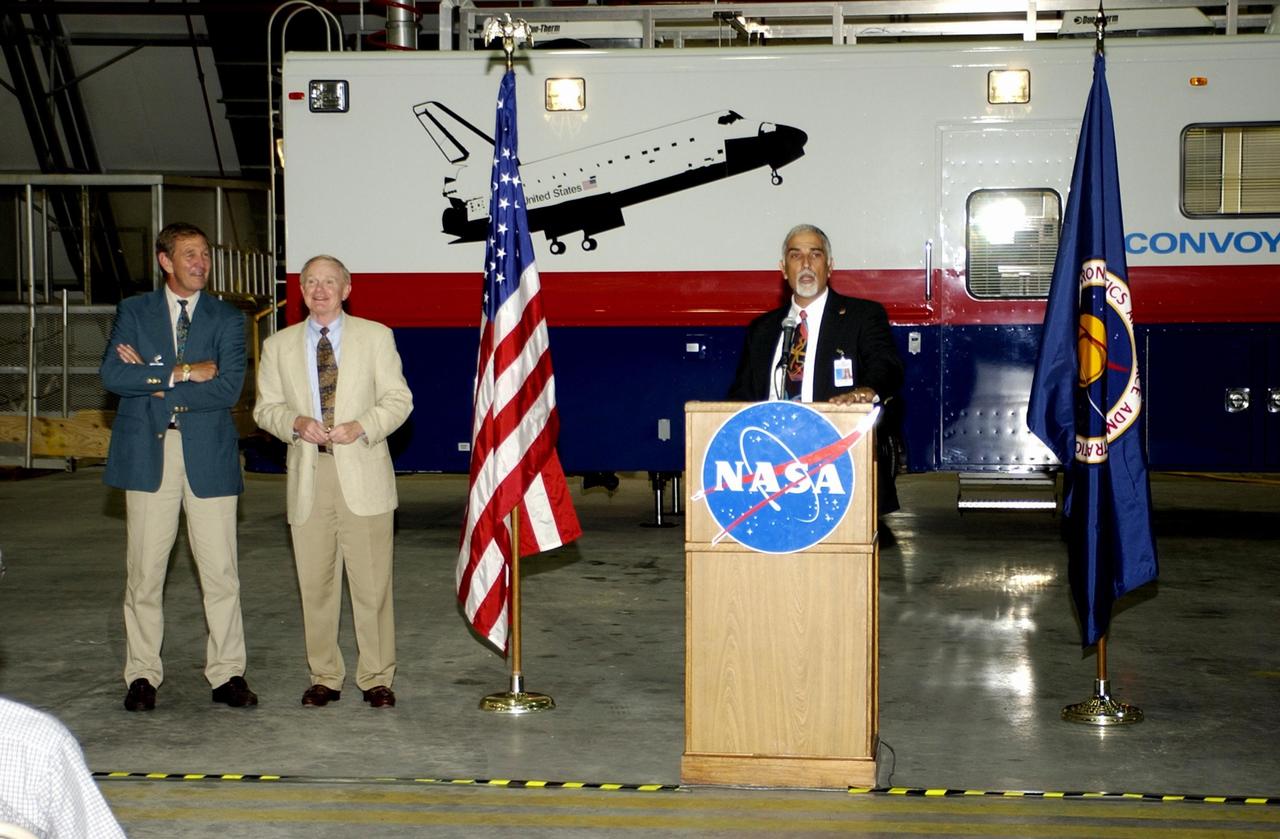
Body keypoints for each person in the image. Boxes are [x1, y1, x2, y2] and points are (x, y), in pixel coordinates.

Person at [100, 221, 256, 711]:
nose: (201, 263)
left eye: (205, 254)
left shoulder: (229, 320)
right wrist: (181, 371)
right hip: (149, 453)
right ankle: (142, 674)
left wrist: (150, 377)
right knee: (144, 572)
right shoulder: (134, 311)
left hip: (208, 453)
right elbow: (112, 375)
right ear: (164, 260)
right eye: (190, 254)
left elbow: (228, 388)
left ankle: (227, 673)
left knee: (221, 573)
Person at [253, 255, 413, 709]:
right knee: (316, 584)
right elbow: (265, 409)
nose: (319, 289)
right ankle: (324, 675)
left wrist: (362, 424)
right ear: (300, 290)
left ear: (346, 289)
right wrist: (295, 421)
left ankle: (377, 676)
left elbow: (400, 399)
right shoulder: (279, 345)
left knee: (372, 584)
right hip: (309, 474)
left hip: (362, 470)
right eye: (310, 282)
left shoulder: (375, 337)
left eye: (329, 282)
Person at [728, 223, 905, 513]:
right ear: (783, 269)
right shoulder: (762, 329)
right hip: (771, 467)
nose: (806, 264)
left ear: (830, 266)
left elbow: (887, 365)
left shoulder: (862, 316)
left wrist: (866, 390)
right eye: (796, 256)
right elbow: (741, 394)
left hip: (838, 465)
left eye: (816, 255)